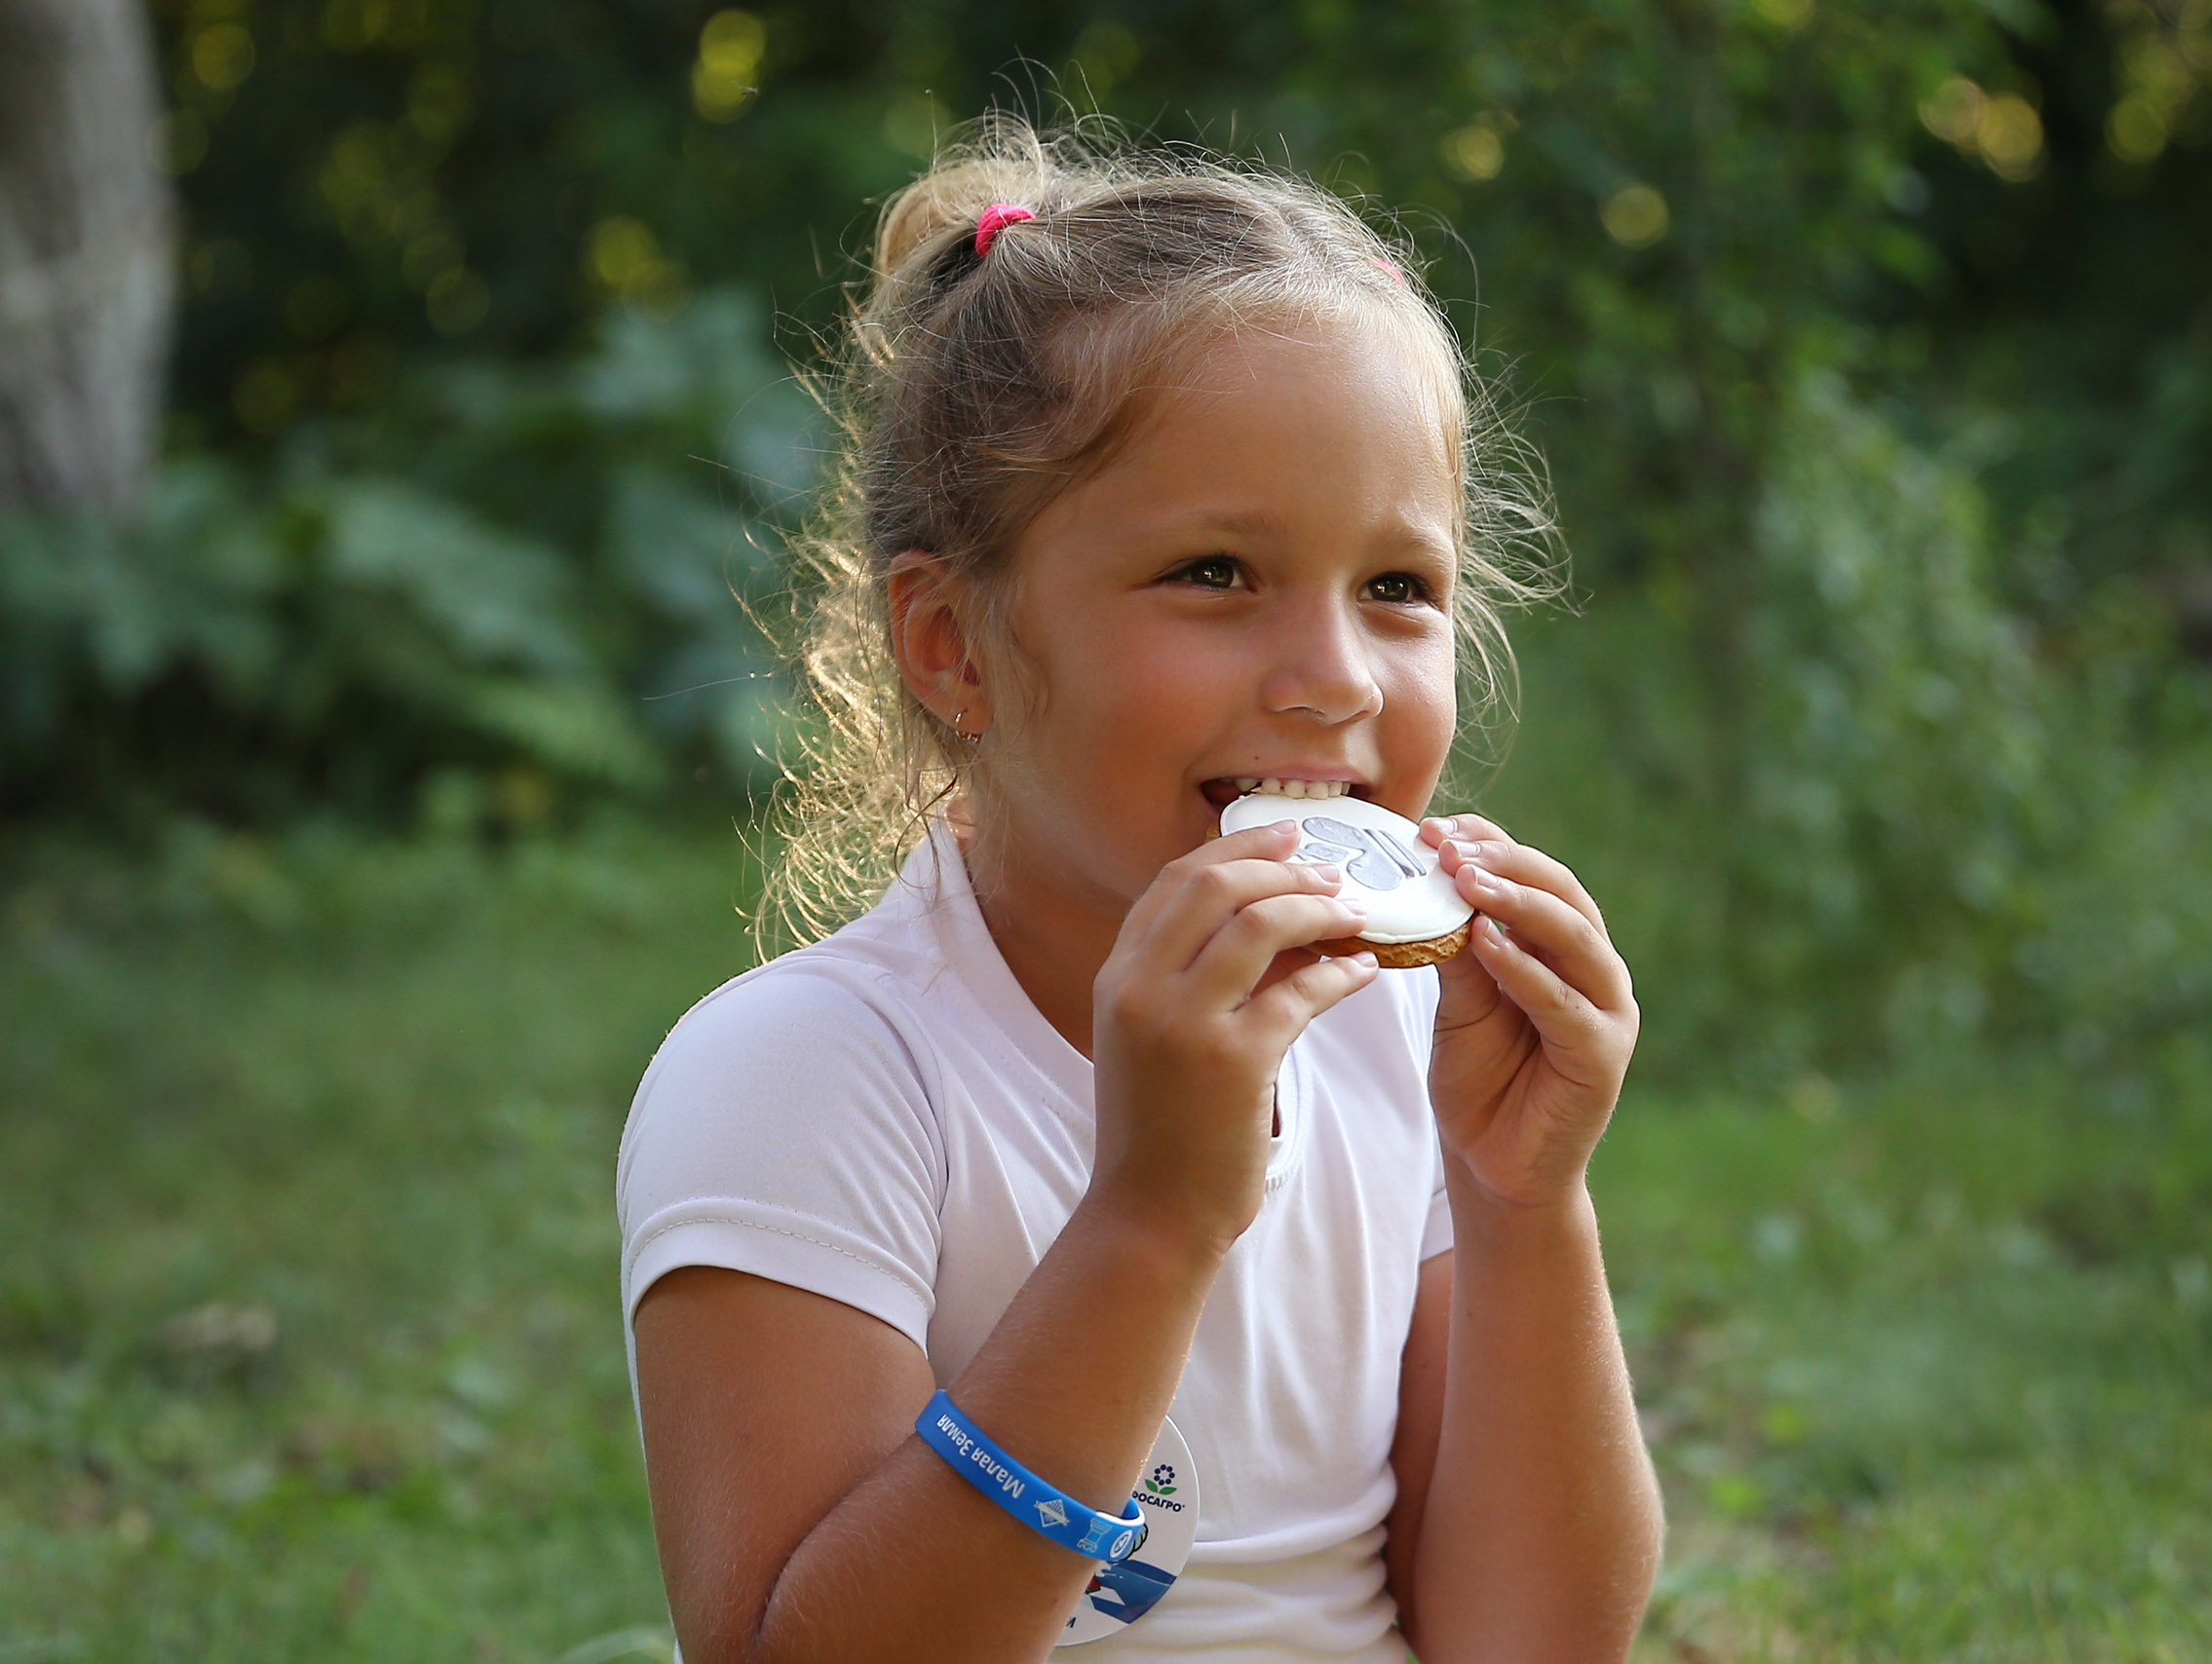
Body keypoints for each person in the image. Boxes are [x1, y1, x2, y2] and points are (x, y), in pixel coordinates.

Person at [618, 120, 1663, 1664]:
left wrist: (1527, 1204)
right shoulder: (808, 1078)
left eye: (1397, 588)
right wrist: (1154, 1218)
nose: (1330, 681)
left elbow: (1535, 1643)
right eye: (1216, 575)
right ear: (952, 648)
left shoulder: (1396, 1043)